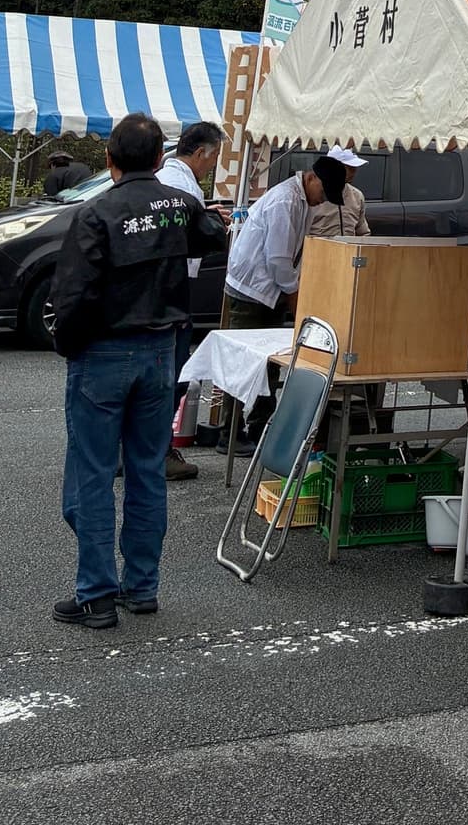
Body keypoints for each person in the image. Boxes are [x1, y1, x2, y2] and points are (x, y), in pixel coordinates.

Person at [48, 111, 227, 628]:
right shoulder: (179, 203)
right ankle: (141, 587)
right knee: (147, 470)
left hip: (104, 353)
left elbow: (73, 294)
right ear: (158, 159)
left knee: (94, 473)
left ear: (109, 160)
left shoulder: (97, 212)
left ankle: (97, 595)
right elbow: (213, 236)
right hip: (160, 351)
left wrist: (69, 344)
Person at [224, 154, 348, 439]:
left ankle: (259, 427)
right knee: (248, 363)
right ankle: (232, 432)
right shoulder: (286, 201)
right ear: (311, 177)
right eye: (323, 192)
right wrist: (296, 299)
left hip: (267, 288)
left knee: (269, 363)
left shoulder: (303, 200)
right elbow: (279, 259)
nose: (323, 200)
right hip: (251, 289)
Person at [154, 121, 225, 481]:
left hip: (151, 291)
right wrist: (209, 224)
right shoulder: (184, 187)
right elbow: (190, 238)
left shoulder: (165, 176)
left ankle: (134, 448)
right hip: (174, 288)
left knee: (152, 373)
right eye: (211, 160)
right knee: (172, 373)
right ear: (200, 153)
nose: (211, 167)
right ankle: (160, 449)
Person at [305, 147, 370, 238]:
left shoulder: (357, 196)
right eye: (350, 168)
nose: (354, 172)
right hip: (319, 250)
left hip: (349, 250)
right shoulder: (312, 195)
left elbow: (362, 231)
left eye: (355, 168)